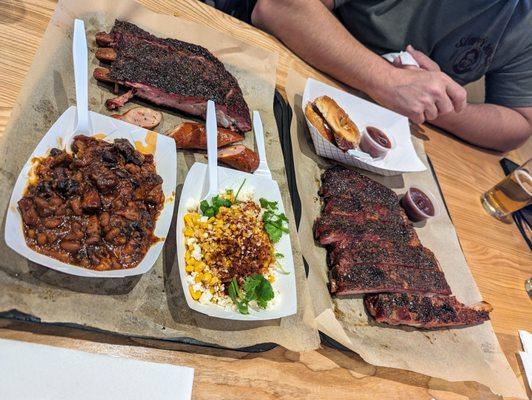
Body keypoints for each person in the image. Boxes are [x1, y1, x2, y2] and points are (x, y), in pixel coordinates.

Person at [250, 0, 532, 152]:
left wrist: (437, 104)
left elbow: (520, 124)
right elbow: (279, 6)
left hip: (388, 141)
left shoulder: (525, 18)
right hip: (288, 81)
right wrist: (388, 80)